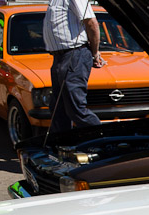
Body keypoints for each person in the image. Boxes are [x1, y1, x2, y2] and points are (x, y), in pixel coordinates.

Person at [43, 0, 105, 133]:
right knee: (58, 108)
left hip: (74, 54)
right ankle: (62, 146)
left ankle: (103, 139)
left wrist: (95, 53)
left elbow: (91, 23)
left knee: (75, 108)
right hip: (60, 57)